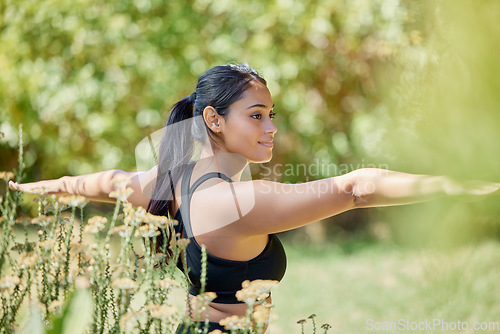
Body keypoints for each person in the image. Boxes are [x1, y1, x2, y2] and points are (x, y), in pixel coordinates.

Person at [9, 63, 500, 333]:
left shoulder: (172, 180)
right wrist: (462, 186)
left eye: (271, 114)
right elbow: (354, 189)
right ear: (213, 120)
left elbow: (108, 181)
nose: (271, 127)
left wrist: (46, 187)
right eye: (257, 115)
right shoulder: (234, 203)